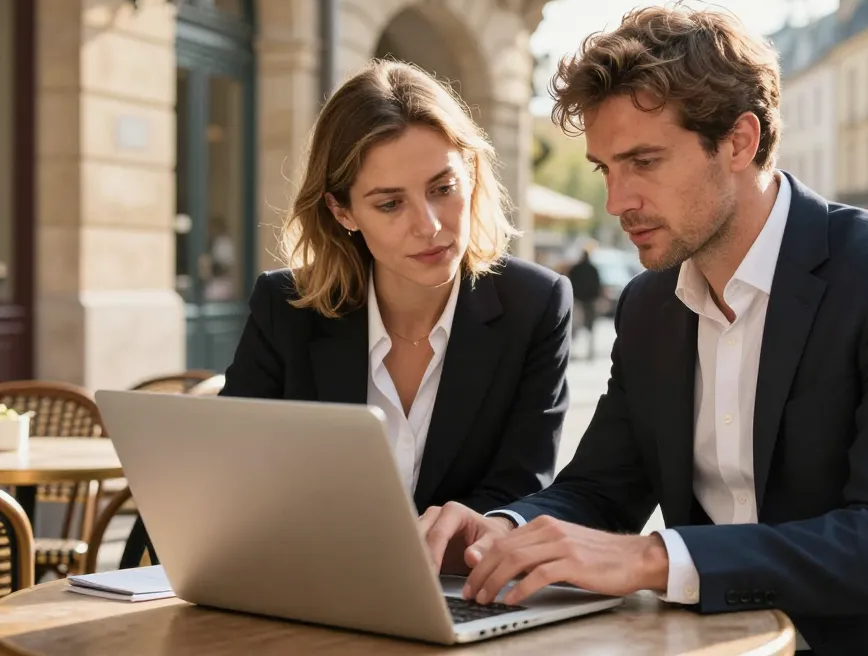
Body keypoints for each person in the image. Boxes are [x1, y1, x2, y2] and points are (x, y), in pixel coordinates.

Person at [419, 5, 868, 655]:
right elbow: (599, 491)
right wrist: (502, 530)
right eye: (605, 169)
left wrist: (651, 559)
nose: (617, 201)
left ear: (740, 141)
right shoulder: (650, 304)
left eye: (643, 162)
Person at [126, 59, 574, 568]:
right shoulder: (286, 307)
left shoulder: (536, 304)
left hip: (456, 593)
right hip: (308, 585)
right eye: (389, 204)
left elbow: (518, 487)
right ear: (343, 213)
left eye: (442, 188)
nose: (428, 226)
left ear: (470, 174)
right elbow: (234, 477)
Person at [566, 247, 602, 359]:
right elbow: (597, 285)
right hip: (589, 300)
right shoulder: (593, 269)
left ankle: (570, 350)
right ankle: (589, 352)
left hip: (577, 300)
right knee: (589, 327)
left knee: (574, 326)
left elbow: (569, 282)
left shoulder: (575, 269)